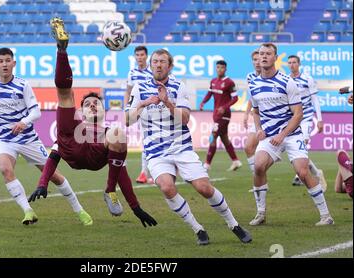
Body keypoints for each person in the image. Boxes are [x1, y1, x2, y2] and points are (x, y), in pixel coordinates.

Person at [28, 17, 157, 228]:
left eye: (96, 103)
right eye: (87, 103)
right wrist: (42, 184)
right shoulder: (74, 123)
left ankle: (109, 190)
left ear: (104, 110)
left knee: (118, 132)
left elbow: (122, 173)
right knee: (65, 94)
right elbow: (52, 157)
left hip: (97, 157)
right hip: (72, 148)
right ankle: (61, 50)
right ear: (82, 110)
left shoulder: (110, 135)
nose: (92, 105)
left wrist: (136, 207)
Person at [126, 48, 252, 245]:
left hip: (181, 147)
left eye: (162, 62)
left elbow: (185, 119)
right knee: (166, 187)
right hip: (155, 151)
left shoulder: (179, 86)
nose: (158, 65)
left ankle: (233, 224)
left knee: (204, 188)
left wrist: (167, 101)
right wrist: (143, 103)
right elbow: (127, 120)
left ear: (170, 66)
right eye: (155, 61)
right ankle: (198, 229)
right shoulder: (139, 88)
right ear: (151, 65)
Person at [0, 47, 92, 225]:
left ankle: (79, 210)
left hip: (28, 140)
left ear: (14, 63)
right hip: (5, 140)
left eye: (7, 60)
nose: (4, 64)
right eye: (1, 61)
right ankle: (28, 211)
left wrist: (24, 122)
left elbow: (36, 112)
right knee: (5, 169)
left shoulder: (22, 85)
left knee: (55, 177)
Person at [248, 43, 334, 226]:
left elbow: (298, 114)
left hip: (292, 133)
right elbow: (255, 111)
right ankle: (261, 213)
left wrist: (283, 134)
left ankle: (326, 216)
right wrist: (258, 129)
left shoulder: (287, 82)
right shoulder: (253, 84)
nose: (263, 57)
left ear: (275, 58)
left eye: (268, 54)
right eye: (261, 54)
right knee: (258, 166)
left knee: (302, 172)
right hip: (270, 135)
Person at [287, 55, 327, 190]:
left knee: (303, 145)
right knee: (297, 150)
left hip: (305, 118)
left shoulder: (308, 79)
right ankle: (317, 172)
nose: (292, 65)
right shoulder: (286, 80)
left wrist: (320, 120)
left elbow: (315, 99)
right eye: (290, 63)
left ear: (299, 64)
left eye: (294, 62)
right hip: (292, 119)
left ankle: (299, 176)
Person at [199, 60, 243, 172]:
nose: (219, 69)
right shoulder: (213, 81)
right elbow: (209, 93)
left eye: (222, 67)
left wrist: (224, 107)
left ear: (225, 69)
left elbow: (235, 98)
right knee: (224, 138)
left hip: (224, 115)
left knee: (213, 135)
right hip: (216, 114)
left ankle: (207, 165)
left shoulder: (229, 82)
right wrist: (203, 102)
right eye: (218, 67)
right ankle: (235, 161)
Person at [125, 45, 154, 184]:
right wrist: (127, 108)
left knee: (155, 140)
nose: (140, 57)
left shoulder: (153, 71)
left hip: (155, 109)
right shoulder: (132, 73)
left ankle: (156, 171)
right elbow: (128, 91)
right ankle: (144, 172)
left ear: (146, 56)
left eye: (142, 55)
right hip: (141, 110)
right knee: (146, 140)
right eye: (137, 55)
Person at [243, 50, 261, 175]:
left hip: (275, 119)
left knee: (294, 152)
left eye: (259, 59)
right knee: (248, 148)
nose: (257, 62)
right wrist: (246, 113)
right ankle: (258, 180)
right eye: (254, 60)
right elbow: (252, 97)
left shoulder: (275, 76)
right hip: (258, 117)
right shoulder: (250, 77)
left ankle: (315, 172)